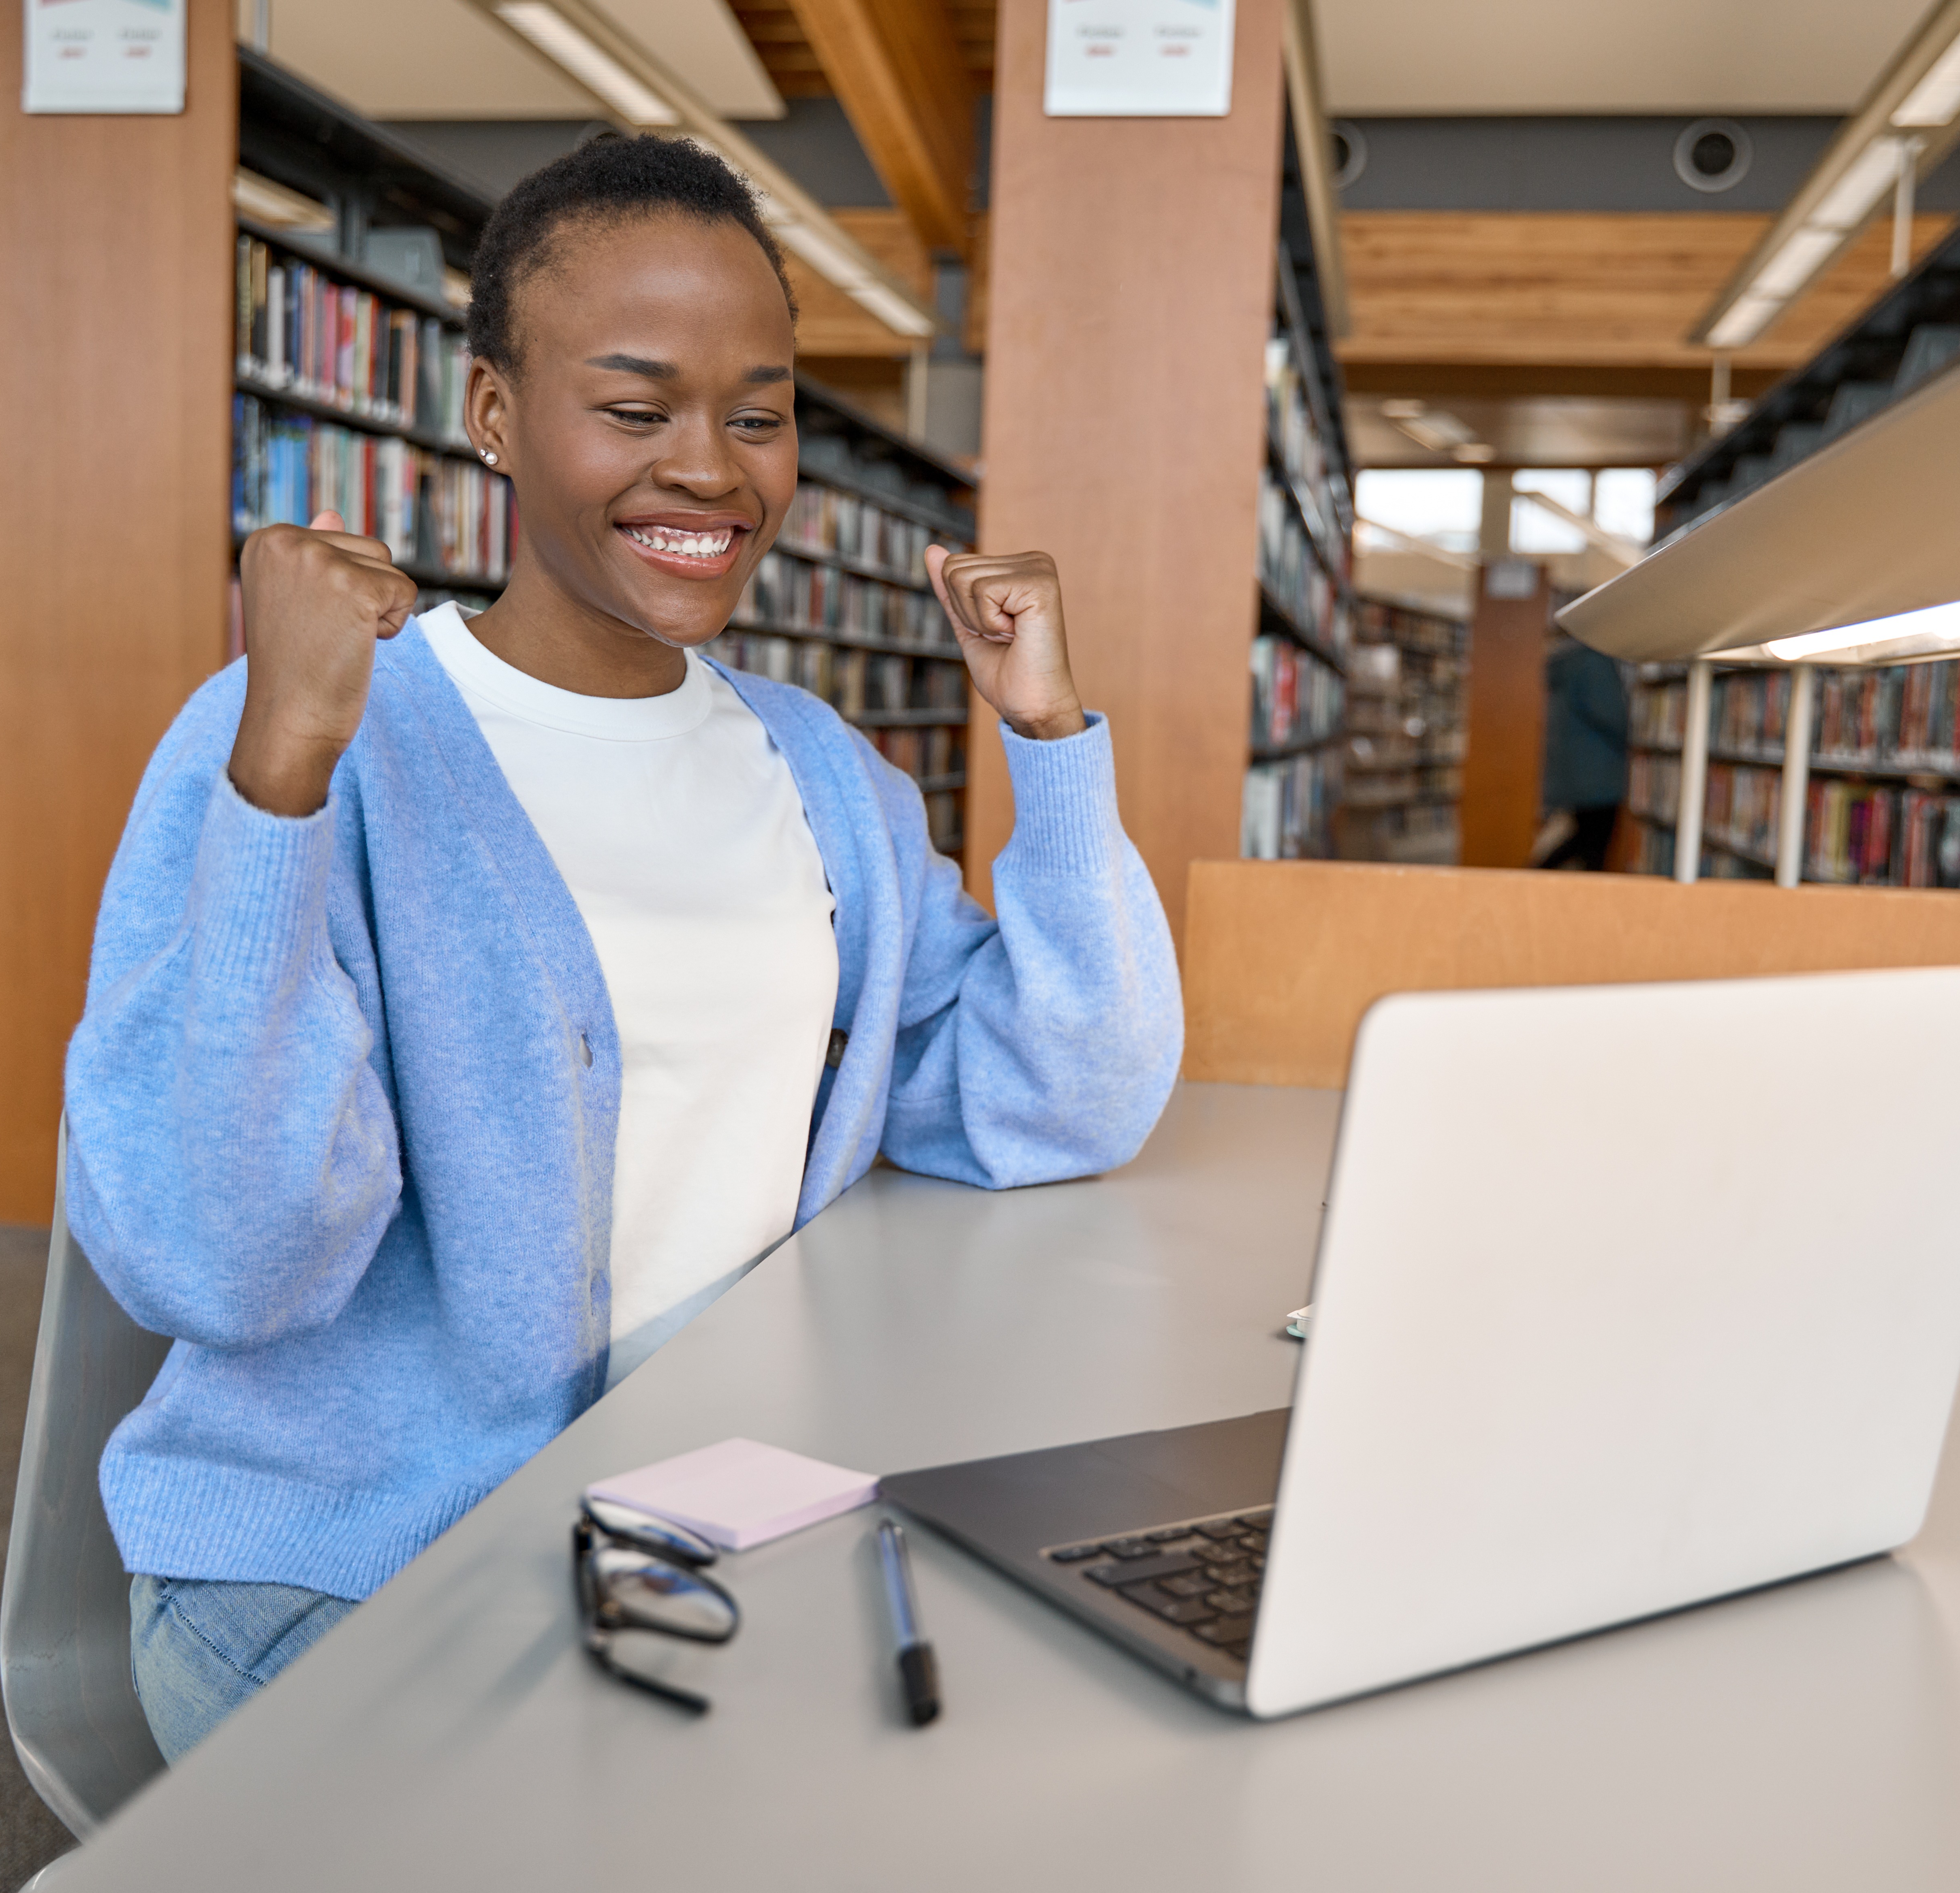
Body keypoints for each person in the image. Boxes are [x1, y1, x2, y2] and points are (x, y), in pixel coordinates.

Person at [62, 136, 1181, 1760]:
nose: (713, 471)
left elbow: (1066, 1095)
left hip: (681, 1535)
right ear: (497, 413)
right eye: (637, 408)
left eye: (759, 411)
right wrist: (285, 769)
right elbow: (218, 1257)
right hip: (355, 1573)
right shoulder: (315, 740)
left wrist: (1055, 743)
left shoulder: (828, 783)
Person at [1535, 629, 1631, 871]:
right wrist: (1635, 729)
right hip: (1597, 774)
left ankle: (1534, 878)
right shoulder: (1594, 660)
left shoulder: (1565, 660)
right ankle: (1532, 879)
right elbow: (1611, 714)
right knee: (1593, 846)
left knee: (1584, 840)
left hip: (1574, 773)